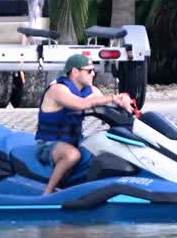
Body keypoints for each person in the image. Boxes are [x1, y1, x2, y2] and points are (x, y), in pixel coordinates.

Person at [36, 54, 133, 194]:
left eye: (93, 70)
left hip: (75, 141)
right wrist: (112, 98)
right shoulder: (58, 89)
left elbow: (108, 101)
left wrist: (124, 99)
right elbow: (80, 104)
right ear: (75, 72)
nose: (93, 74)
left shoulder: (89, 90)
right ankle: (47, 193)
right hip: (48, 144)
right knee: (72, 155)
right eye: (89, 71)